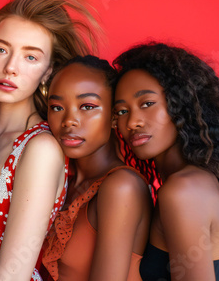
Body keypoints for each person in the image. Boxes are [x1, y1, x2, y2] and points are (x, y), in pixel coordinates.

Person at [0, 0, 103, 281]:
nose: (11, 68)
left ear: (48, 71)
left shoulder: (40, 147)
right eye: (1, 49)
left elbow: (13, 272)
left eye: (30, 57)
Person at [113, 42, 219, 281]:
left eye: (147, 103)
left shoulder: (184, 191)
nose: (132, 122)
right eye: (121, 111)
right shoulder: (188, 183)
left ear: (181, 105)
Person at [42, 56, 152, 281]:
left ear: (114, 116)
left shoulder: (122, 186)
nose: (69, 120)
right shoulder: (65, 182)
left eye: (87, 106)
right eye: (57, 107)